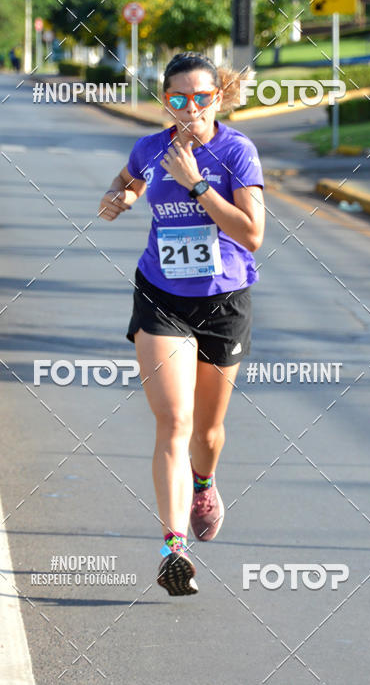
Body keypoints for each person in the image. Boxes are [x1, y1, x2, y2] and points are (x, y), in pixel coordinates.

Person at [98, 52, 265, 597]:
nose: (190, 108)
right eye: (177, 99)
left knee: (208, 434)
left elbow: (252, 234)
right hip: (161, 296)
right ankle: (174, 548)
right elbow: (129, 181)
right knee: (174, 421)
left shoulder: (237, 152)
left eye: (202, 97)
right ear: (164, 100)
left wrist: (197, 185)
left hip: (223, 301)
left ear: (220, 97)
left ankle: (204, 483)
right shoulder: (151, 148)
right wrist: (121, 197)